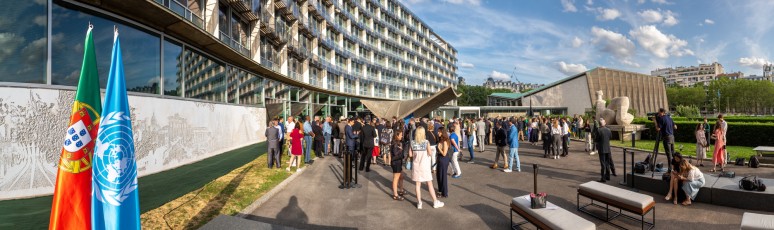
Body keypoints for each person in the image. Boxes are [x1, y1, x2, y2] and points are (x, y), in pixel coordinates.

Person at [409, 126, 444, 209]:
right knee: (429, 184)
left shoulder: (412, 142)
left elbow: (410, 155)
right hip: (425, 166)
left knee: (418, 185)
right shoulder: (426, 142)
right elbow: (430, 153)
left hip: (416, 166)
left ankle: (419, 203)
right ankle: (435, 202)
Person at [390, 131, 406, 201]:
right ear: (397, 136)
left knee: (401, 176)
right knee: (396, 178)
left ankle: (401, 190)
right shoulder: (395, 144)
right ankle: (395, 194)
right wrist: (401, 150)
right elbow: (395, 154)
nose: (401, 136)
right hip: (396, 163)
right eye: (400, 135)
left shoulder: (398, 143)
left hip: (398, 162)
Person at [435, 127, 451, 198]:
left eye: (439, 132)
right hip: (440, 159)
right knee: (439, 175)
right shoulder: (440, 140)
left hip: (444, 159)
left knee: (443, 176)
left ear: (442, 132)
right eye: (438, 132)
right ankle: (440, 190)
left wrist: (438, 148)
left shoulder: (445, 141)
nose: (438, 133)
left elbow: (444, 153)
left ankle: (444, 192)